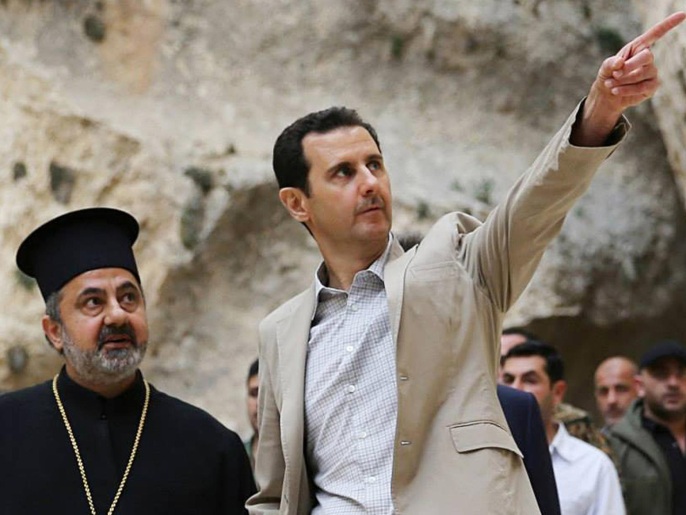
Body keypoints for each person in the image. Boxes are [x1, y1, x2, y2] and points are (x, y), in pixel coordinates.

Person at [247, 13, 685, 514]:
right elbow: (276, 492)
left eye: (375, 164)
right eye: (343, 173)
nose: (369, 182)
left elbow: (533, 208)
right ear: (297, 203)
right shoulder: (280, 332)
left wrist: (602, 109)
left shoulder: (455, 265)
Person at [0, 208, 256, 515]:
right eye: (93, 302)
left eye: (129, 298)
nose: (118, 315)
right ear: (54, 331)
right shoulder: (6, 429)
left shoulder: (213, 447)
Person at [502, 341, 625, 515]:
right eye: (508, 380)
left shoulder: (593, 466)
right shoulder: (482, 455)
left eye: (530, 380)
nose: (515, 389)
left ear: (557, 392)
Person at [607, 340, 686, 515]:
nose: (673, 383)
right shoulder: (614, 443)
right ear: (639, 386)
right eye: (661, 374)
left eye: (681, 373)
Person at [497, 384, 562, 515]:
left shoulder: (514, 406)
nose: (517, 385)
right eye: (509, 378)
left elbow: (543, 502)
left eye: (530, 380)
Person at [594, 356, 639, 431]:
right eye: (604, 392)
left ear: (640, 389)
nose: (611, 400)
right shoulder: (591, 442)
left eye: (620, 389)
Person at [245, 358, 260, 471]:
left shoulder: (296, 458)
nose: (259, 403)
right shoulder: (237, 455)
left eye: (265, 394)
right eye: (254, 394)